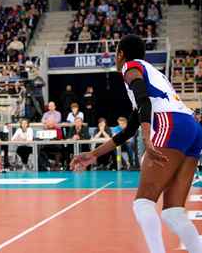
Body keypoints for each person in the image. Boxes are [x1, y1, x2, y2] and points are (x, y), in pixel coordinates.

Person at [71, 34, 202, 253]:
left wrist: (147, 133)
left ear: (121, 54)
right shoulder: (154, 74)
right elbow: (129, 129)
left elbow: (141, 97)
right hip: (192, 128)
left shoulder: (130, 67)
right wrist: (93, 154)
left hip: (170, 124)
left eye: (116, 54)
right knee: (173, 212)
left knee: (143, 203)